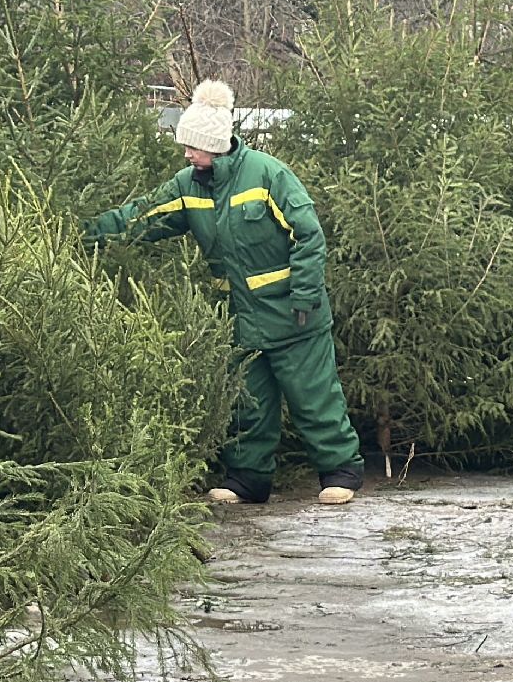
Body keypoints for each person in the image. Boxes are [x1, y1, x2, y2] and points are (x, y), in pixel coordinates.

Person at [86, 79, 364, 505]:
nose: (186, 154)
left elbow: (308, 236)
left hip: (293, 314)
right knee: (246, 404)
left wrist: (305, 297)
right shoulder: (186, 186)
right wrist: (82, 233)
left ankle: (340, 472)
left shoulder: (268, 175)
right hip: (236, 317)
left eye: (192, 147)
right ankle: (248, 480)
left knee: (314, 396)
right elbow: (139, 218)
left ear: (214, 145)